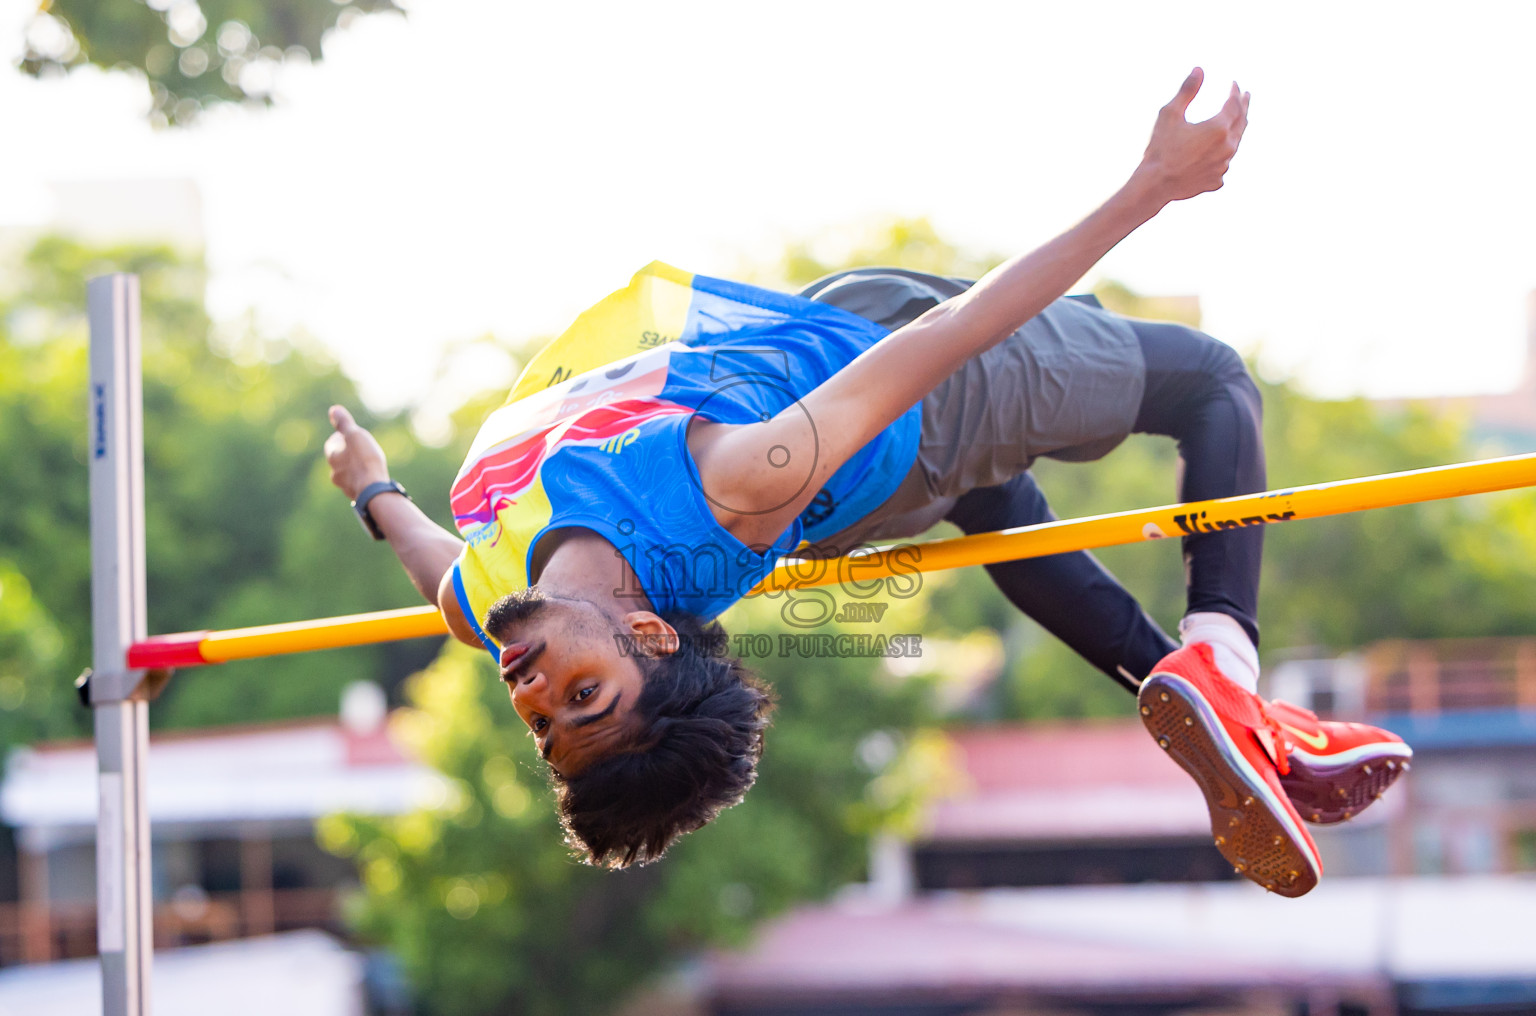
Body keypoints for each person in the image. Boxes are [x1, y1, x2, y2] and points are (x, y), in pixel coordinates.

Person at [324, 70, 1409, 896]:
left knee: (1003, 516)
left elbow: (433, 568)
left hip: (853, 474)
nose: (531, 689)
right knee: (1214, 385)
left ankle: (1194, 696)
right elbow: (954, 331)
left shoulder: (492, 597)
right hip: (913, 409)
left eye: (542, 719)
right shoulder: (732, 481)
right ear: (650, 638)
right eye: (582, 695)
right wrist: (1152, 189)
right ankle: (1224, 664)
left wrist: (372, 487)